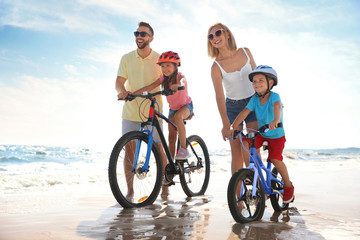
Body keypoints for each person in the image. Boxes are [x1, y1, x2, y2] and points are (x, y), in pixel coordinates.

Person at [225, 65, 295, 203]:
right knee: (245, 142)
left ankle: (288, 186)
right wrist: (233, 126)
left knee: (275, 159)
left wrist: (275, 120)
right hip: (262, 133)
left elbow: (277, 107)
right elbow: (244, 112)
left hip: (276, 135)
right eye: (254, 81)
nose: (256, 84)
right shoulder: (255, 99)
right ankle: (253, 173)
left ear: (271, 83)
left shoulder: (275, 96)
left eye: (260, 80)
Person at [115, 21, 169, 199]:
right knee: (129, 151)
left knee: (159, 149)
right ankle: (130, 191)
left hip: (153, 110)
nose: (139, 36)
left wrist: (139, 91)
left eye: (143, 34)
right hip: (131, 110)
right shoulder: (126, 58)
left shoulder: (159, 58)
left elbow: (161, 81)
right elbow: (119, 81)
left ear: (151, 38)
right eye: (137, 33)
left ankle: (165, 185)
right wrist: (121, 91)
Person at [207, 23, 259, 174]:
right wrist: (225, 124)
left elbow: (259, 78)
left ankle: (257, 192)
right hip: (233, 108)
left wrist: (269, 102)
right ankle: (238, 197)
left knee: (252, 147)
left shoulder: (245, 52)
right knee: (236, 152)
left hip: (253, 104)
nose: (215, 38)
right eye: (211, 36)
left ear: (227, 34)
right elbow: (219, 96)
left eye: (218, 33)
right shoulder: (216, 66)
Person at [135, 51, 193, 161]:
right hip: (173, 109)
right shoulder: (163, 79)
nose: (165, 69)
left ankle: (184, 149)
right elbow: (151, 86)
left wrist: (178, 85)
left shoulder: (179, 76)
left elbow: (183, 81)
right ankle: (171, 163)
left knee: (178, 117)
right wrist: (133, 94)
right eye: (162, 66)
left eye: (168, 65)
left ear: (176, 66)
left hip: (186, 106)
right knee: (171, 137)